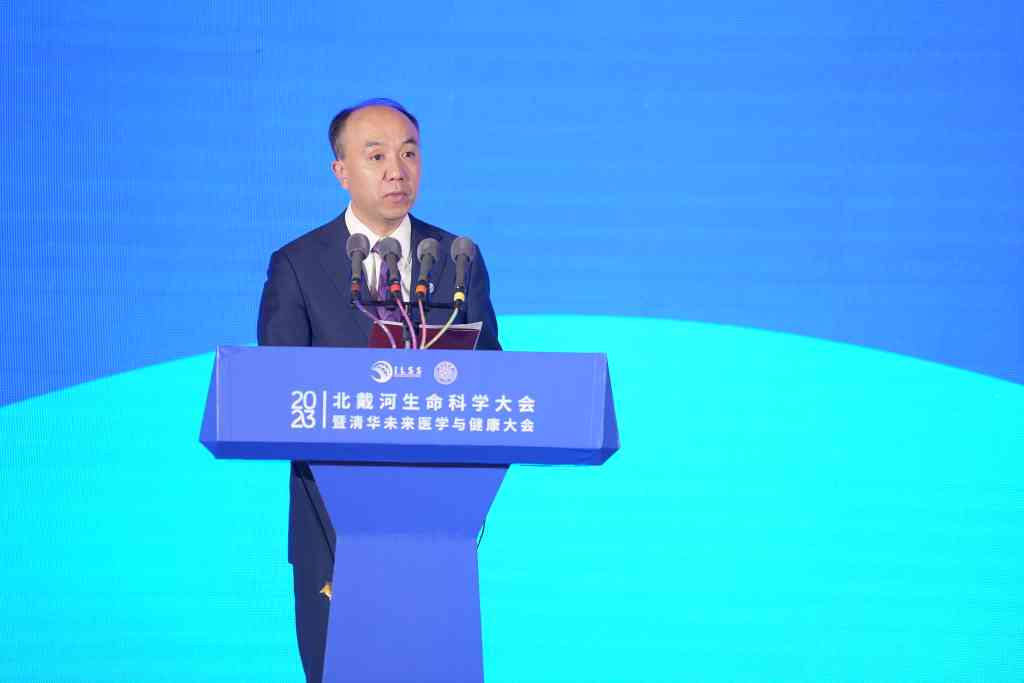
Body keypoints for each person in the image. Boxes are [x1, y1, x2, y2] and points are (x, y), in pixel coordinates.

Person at [256, 98, 501, 683]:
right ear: (341, 170)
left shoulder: (457, 260)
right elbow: (274, 390)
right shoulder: (297, 264)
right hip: (331, 521)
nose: (397, 170)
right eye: (377, 157)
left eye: (409, 154)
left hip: (436, 518)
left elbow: (492, 379)